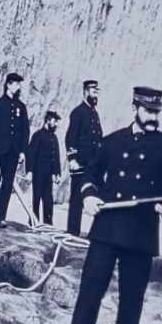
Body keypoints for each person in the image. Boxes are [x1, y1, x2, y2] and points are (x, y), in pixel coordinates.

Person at [52, 85, 162, 324]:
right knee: (87, 301)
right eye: (148, 111)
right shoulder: (112, 142)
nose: (153, 117)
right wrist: (89, 195)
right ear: (135, 108)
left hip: (140, 240)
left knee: (130, 313)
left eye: (157, 112)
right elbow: (89, 175)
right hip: (106, 233)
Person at [0, 72, 31, 225]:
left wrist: (23, 151)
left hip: (13, 152)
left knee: (8, 184)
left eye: (19, 85)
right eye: (15, 84)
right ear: (8, 85)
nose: (17, 87)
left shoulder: (21, 107)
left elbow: (25, 131)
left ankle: (1, 216)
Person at [66, 79, 103, 235]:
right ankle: (73, 232)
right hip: (80, 163)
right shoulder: (78, 112)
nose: (96, 96)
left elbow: (99, 138)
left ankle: (97, 233)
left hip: (93, 164)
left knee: (97, 197)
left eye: (97, 93)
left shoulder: (94, 113)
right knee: (76, 200)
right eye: (93, 92)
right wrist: (72, 159)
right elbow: (70, 137)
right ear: (86, 91)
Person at [29, 109, 64, 229]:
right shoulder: (37, 135)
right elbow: (31, 154)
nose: (56, 124)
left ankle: (48, 225)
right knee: (36, 198)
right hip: (38, 173)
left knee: (48, 200)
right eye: (55, 121)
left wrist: (57, 173)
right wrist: (30, 171)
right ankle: (33, 223)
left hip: (49, 175)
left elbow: (56, 157)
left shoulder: (54, 138)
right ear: (48, 120)